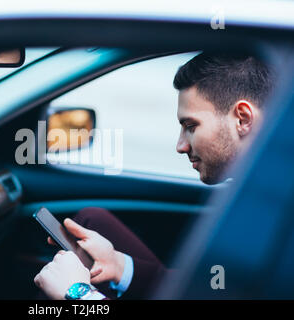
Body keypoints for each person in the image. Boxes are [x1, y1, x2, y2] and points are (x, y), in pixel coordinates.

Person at [34, 52, 275, 300]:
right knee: (92, 219)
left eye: (191, 127)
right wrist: (117, 266)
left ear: (243, 119)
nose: (181, 145)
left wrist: (77, 294)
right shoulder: (265, 196)